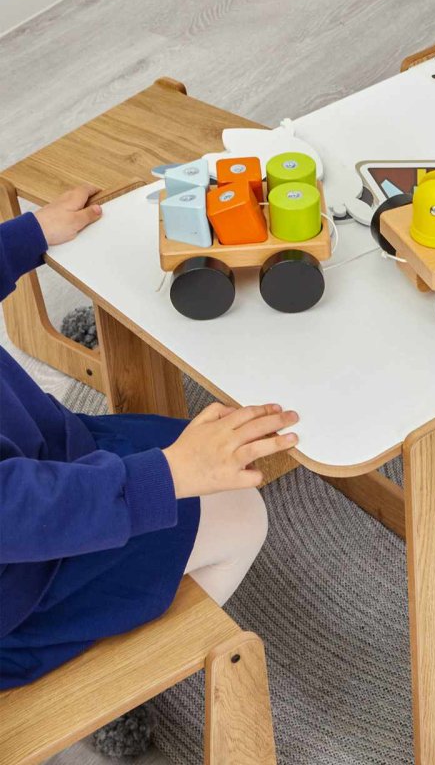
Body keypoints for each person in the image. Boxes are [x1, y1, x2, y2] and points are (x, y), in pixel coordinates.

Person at [0, 185, 299, 688]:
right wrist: (167, 475)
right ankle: (112, 683)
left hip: (47, 453)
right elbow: (15, 511)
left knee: (185, 448)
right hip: (26, 584)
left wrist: (26, 236)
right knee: (239, 512)